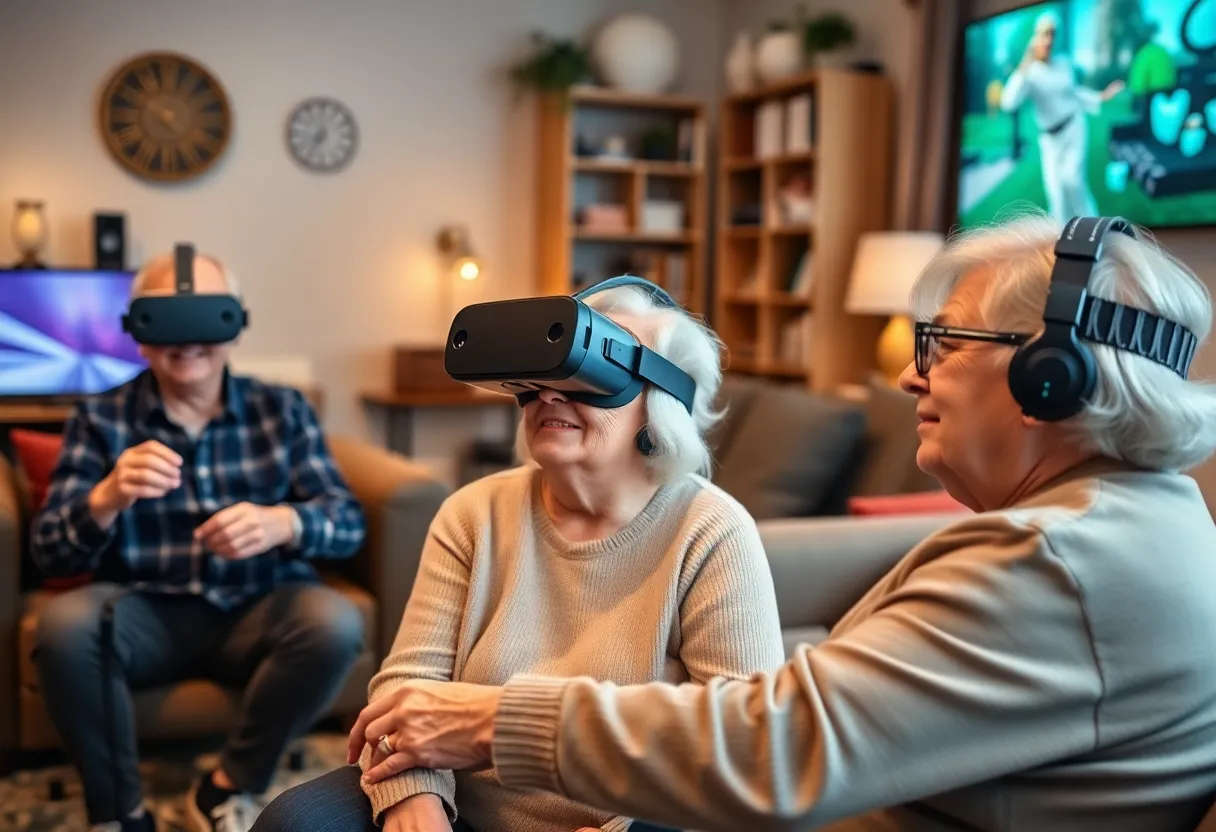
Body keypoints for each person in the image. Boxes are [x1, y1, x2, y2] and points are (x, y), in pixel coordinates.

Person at [315, 214, 1216, 831]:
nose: (910, 377)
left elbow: (774, 743)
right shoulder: (1115, 528)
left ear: (1045, 377)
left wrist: (486, 722)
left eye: (939, 345)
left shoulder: (1057, 560)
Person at [252, 283, 787, 831]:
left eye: (589, 373)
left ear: (662, 402)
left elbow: (743, 746)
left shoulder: (713, 533)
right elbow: (407, 683)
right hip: (464, 810)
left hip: (622, 818)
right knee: (295, 821)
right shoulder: (473, 512)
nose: (551, 394)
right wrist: (415, 801)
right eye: (539, 377)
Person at [30, 251, 368, 832]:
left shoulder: (281, 409)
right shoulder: (100, 418)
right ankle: (119, 815)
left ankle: (225, 787)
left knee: (333, 622)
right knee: (64, 627)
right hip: (145, 610)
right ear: (138, 333)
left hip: (258, 607)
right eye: (166, 323)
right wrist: (105, 497)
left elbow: (346, 522)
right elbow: (50, 552)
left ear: (232, 326)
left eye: (204, 321)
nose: (186, 341)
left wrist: (283, 522)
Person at [1000, 12, 1124, 224]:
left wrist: (1101, 96)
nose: (1048, 40)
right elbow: (1009, 102)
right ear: (1035, 38)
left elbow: (1074, 92)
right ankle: (1060, 239)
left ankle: (1093, 229)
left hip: (1074, 127)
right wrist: (1025, 63)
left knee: (1073, 182)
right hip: (1049, 139)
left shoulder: (1063, 63)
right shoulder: (1029, 73)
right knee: (1055, 194)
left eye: (1052, 34)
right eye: (1043, 34)